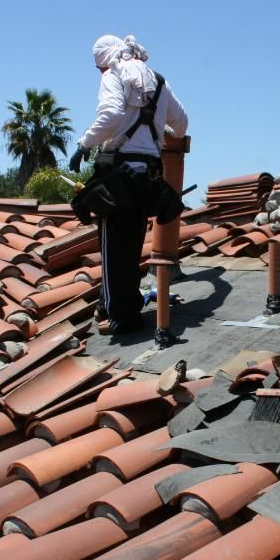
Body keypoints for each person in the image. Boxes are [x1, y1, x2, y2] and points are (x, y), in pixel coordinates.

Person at [68, 34, 189, 335]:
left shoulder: (113, 74)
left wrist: (85, 144)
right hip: (149, 176)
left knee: (113, 249)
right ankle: (109, 306)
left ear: (103, 60)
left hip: (119, 175)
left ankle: (122, 318)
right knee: (131, 246)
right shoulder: (159, 83)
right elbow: (182, 123)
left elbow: (110, 114)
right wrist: (157, 132)